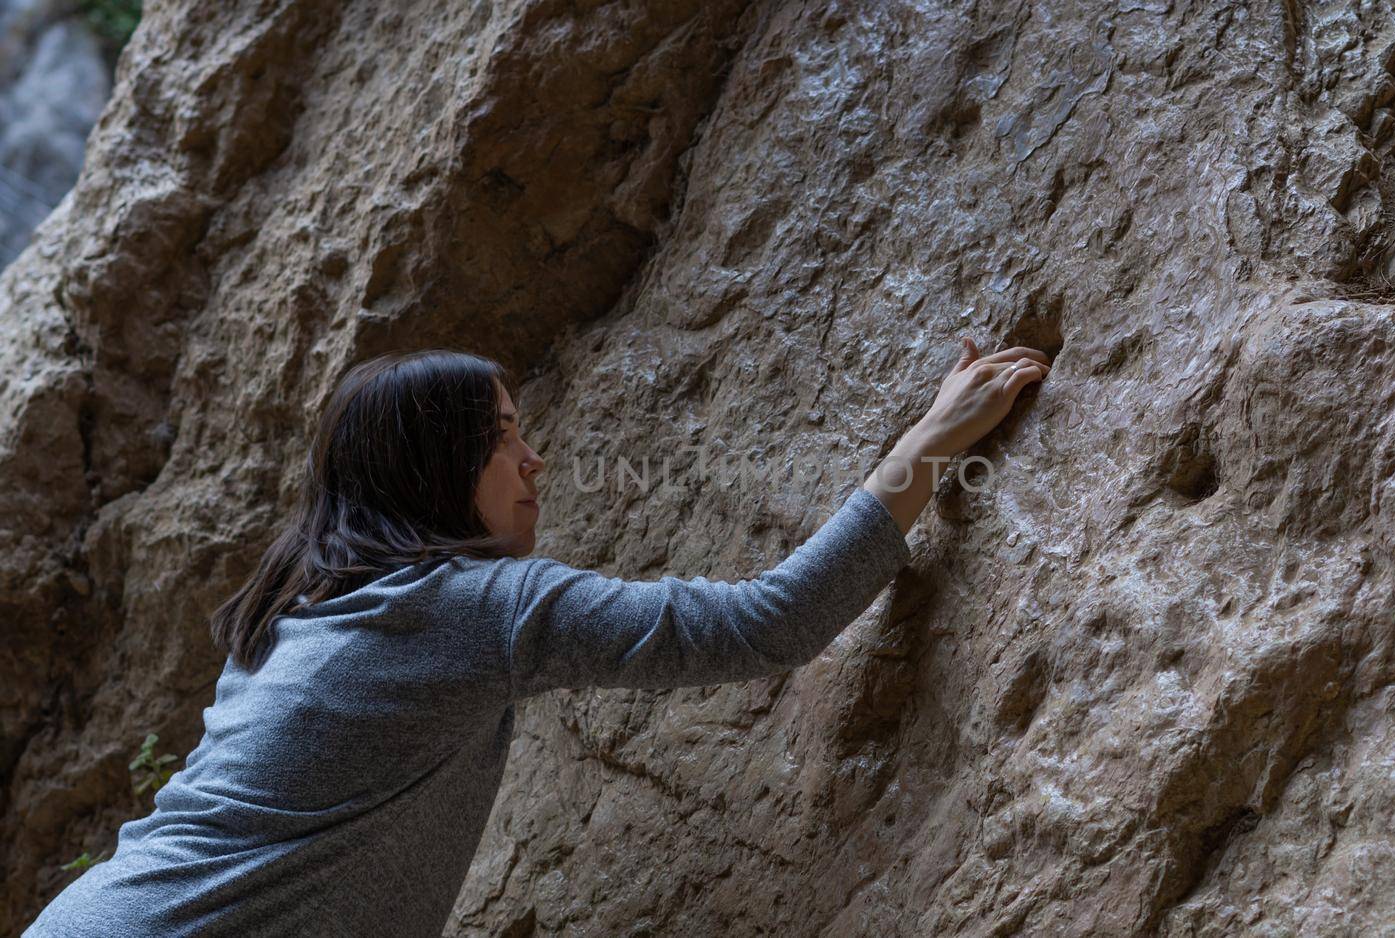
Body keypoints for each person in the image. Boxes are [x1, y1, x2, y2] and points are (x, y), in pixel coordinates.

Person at [25, 338, 1050, 937]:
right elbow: (765, 622)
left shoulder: (314, 603)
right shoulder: (467, 606)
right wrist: (927, 445)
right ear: (440, 465)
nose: (535, 458)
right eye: (505, 434)